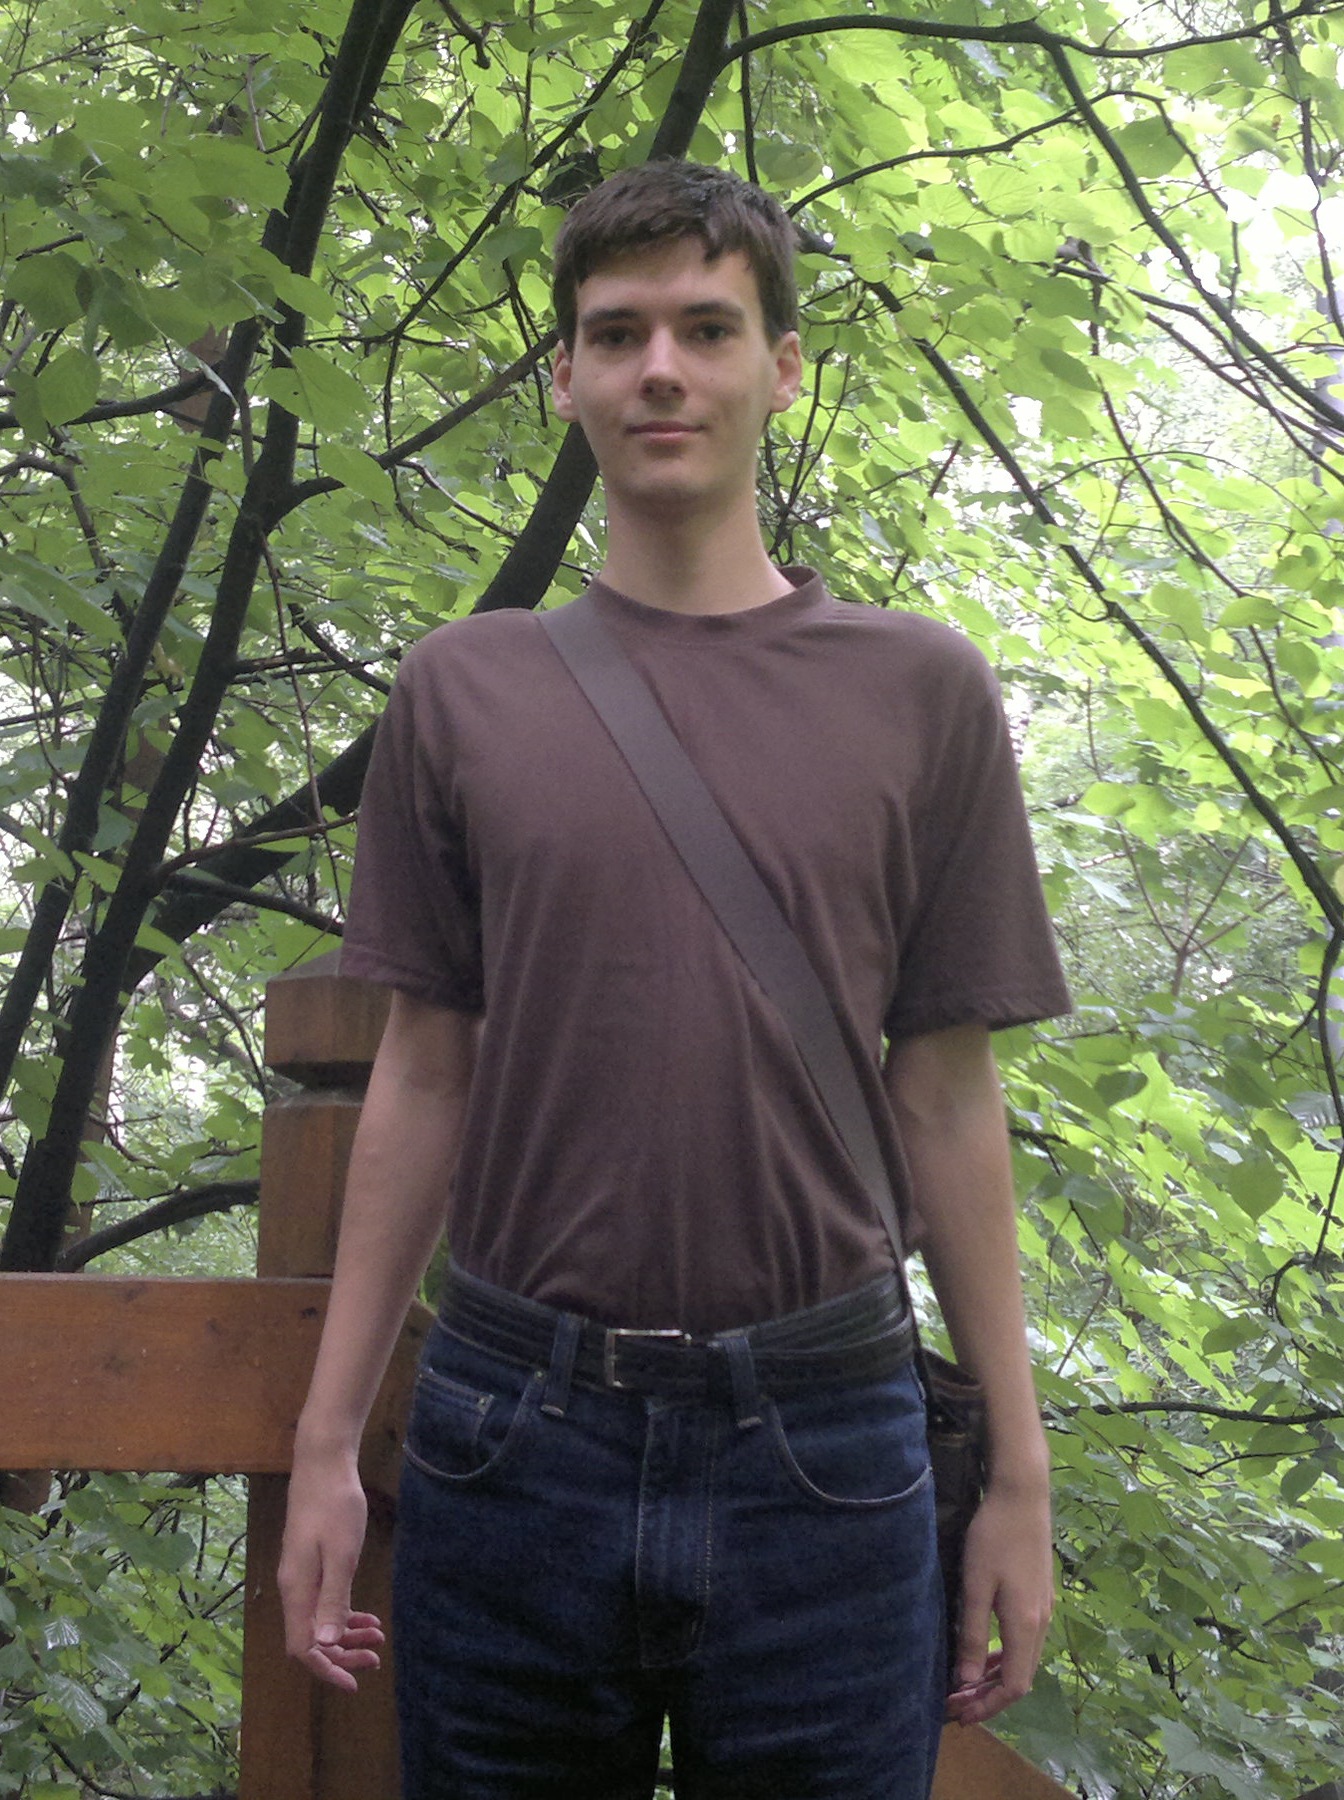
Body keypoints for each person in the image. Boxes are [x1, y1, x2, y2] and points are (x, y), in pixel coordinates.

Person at [279, 159, 1071, 1800]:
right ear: (563, 376)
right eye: (616, 332)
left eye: (707, 330)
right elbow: (423, 1071)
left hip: (829, 1451)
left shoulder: (920, 692)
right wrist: (327, 1443)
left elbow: (945, 1095)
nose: (661, 370)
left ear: (783, 368)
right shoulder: (461, 690)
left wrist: (1019, 1474)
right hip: (510, 1437)